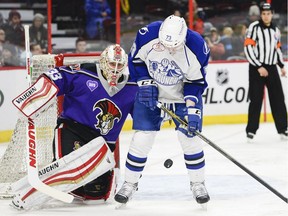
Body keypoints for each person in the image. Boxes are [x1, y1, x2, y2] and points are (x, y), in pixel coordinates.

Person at [11, 44, 138, 209]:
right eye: (112, 64)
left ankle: (83, 184)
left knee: (97, 197)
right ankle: (26, 194)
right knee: (70, 168)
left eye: (119, 65)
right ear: (103, 61)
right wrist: (38, 94)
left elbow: (144, 119)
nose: (115, 69)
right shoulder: (84, 72)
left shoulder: (132, 88)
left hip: (102, 146)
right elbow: (57, 76)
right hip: (72, 130)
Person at [114, 15, 210, 206]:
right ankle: (129, 183)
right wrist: (145, 83)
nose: (170, 49)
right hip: (152, 93)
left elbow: (196, 82)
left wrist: (191, 109)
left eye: (174, 45)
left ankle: (198, 183)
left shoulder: (197, 46)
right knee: (142, 138)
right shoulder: (147, 34)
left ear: (183, 38)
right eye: (166, 45)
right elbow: (135, 61)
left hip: (182, 97)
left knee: (190, 138)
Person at [244, 3, 288, 141]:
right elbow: (248, 48)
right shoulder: (254, 27)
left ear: (272, 14)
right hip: (256, 68)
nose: (266, 16)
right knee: (256, 99)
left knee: (278, 99)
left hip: (271, 67)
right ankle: (251, 130)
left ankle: (283, 128)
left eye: (268, 14)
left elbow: (278, 49)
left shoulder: (276, 30)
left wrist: (281, 65)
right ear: (261, 15)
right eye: (263, 14)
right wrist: (258, 66)